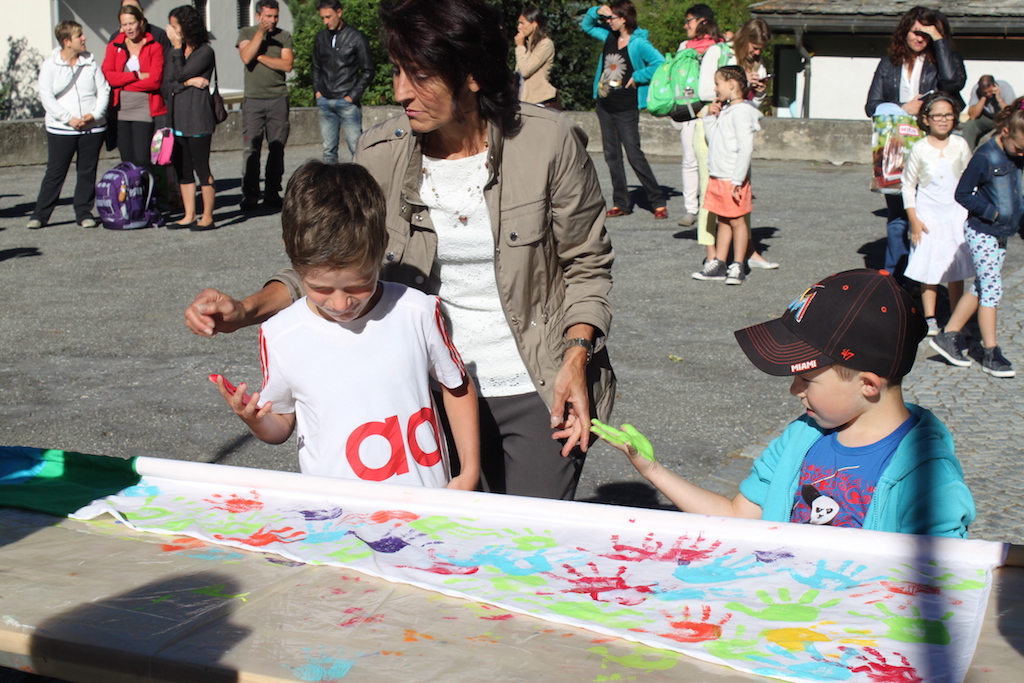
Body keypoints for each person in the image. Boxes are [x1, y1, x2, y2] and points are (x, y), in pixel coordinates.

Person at [185, 0, 615, 502]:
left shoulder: (548, 142)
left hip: (537, 384)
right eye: (396, 71)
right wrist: (247, 310)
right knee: (439, 539)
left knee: (526, 537)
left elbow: (588, 264)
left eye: (421, 76)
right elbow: (337, 260)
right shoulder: (379, 151)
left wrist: (576, 357)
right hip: (422, 391)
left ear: (472, 73)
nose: (400, 92)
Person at [594, 268, 976, 538]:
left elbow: (942, 585)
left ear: (868, 385)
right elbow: (737, 516)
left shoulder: (927, 476)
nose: (795, 390)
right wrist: (653, 470)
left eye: (807, 378)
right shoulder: (800, 438)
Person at [216, 162, 481, 490]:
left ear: (382, 246)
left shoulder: (416, 311)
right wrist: (255, 420)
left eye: (358, 285)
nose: (341, 304)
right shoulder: (280, 333)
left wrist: (468, 471)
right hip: (337, 511)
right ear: (291, 256)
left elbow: (456, 386)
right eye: (321, 289)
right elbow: (281, 424)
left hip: (426, 503)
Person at [865, 6, 966, 280]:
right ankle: (895, 278)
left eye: (926, 33)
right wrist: (903, 107)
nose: (920, 37)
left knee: (929, 211)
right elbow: (871, 105)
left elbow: (953, 83)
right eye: (915, 31)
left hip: (930, 144)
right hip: (894, 145)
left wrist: (940, 40)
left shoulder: (943, 60)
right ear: (904, 31)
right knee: (897, 213)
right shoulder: (889, 63)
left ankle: (926, 277)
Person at [930, 97, 1024, 379]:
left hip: (1001, 232)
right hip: (982, 231)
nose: (1021, 154)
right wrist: (992, 212)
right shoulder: (985, 157)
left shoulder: (1016, 155)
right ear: (1005, 132)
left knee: (982, 285)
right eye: (1019, 148)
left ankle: (948, 335)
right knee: (992, 289)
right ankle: (990, 352)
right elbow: (962, 194)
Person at [691, 17, 777, 270]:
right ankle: (712, 254)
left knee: (739, 193)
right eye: (754, 46)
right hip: (712, 125)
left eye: (761, 49)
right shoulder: (718, 52)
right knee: (710, 192)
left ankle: (745, 252)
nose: (757, 52)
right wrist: (739, 84)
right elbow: (704, 91)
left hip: (735, 128)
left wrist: (758, 92)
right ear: (743, 39)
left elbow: (752, 108)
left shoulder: (757, 64)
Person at [582, 2, 668, 220]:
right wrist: (597, 11)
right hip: (605, 106)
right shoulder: (609, 36)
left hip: (626, 108)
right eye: (607, 18)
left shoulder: (638, 43)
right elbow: (587, 26)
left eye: (612, 17)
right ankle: (621, 203)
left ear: (624, 18)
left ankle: (657, 201)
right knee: (612, 157)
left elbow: (660, 63)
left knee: (634, 155)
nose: (608, 21)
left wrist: (638, 77)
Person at [901, 92, 973, 336]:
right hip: (927, 215)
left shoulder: (960, 145)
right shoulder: (919, 148)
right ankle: (930, 317)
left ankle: (956, 316)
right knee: (929, 266)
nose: (943, 120)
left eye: (948, 115)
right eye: (937, 115)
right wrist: (914, 219)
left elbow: (970, 178)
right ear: (926, 119)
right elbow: (908, 185)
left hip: (956, 213)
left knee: (956, 266)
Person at [27, 21, 110, 230]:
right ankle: (40, 215)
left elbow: (103, 90)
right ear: (66, 42)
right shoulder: (50, 65)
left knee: (87, 171)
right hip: (62, 128)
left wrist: (94, 115)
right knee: (55, 172)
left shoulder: (90, 62)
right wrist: (68, 119)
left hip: (93, 127)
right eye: (79, 35)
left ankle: (84, 213)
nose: (84, 38)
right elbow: (46, 97)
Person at [691, 67, 760, 286]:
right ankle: (720, 263)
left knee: (737, 221)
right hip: (718, 176)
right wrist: (711, 118)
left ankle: (738, 265)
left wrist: (738, 180)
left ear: (731, 84)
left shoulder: (742, 112)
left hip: (732, 178)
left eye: (718, 83)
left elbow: (746, 148)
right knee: (723, 219)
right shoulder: (727, 110)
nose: (715, 88)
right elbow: (714, 140)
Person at [237, 0, 294, 210]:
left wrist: (259, 56)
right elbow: (246, 56)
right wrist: (260, 34)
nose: (272, 20)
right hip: (253, 98)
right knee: (251, 148)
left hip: (278, 97)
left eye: (275, 16)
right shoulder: (246, 32)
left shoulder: (283, 36)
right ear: (258, 16)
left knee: (277, 147)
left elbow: (287, 64)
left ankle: (272, 192)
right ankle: (250, 193)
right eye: (268, 16)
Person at [165, 4, 217, 230]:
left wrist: (182, 77)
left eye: (175, 26)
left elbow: (180, 74)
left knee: (201, 168)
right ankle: (189, 214)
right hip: (178, 118)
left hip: (198, 118)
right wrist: (189, 82)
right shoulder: (174, 52)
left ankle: (208, 217)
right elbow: (168, 84)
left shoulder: (204, 52)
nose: (171, 30)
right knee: (183, 169)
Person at [673, 4, 722, 229]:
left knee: (712, 160)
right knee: (689, 160)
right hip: (689, 109)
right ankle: (691, 208)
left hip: (713, 110)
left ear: (703, 21)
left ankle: (711, 206)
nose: (686, 26)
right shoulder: (684, 47)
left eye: (689, 21)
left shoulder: (720, 47)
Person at [102, 3, 166, 170]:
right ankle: (133, 187)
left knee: (142, 158)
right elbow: (108, 77)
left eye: (131, 23)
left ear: (141, 22)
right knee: (127, 159)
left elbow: (154, 81)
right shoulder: (114, 46)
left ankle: (147, 186)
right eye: (124, 24)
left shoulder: (154, 47)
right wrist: (136, 76)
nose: (128, 28)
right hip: (120, 111)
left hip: (144, 109)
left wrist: (122, 83)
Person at [312, 0, 373, 165]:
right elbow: (316, 67)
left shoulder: (356, 37)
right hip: (325, 100)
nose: (326, 21)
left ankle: (361, 180)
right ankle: (329, 181)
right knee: (328, 151)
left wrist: (351, 96)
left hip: (347, 101)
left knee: (357, 149)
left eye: (328, 17)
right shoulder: (321, 37)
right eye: (323, 18)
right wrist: (318, 92)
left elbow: (368, 70)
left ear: (339, 12)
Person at [515, 5, 560, 110]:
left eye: (522, 23)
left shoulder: (545, 44)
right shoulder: (528, 46)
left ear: (534, 24)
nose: (519, 27)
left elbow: (526, 71)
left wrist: (520, 47)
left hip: (538, 101)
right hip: (522, 100)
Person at [963, 75, 1016, 151]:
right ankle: (967, 152)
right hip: (987, 118)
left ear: (994, 86)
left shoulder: (1005, 87)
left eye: (990, 91)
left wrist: (999, 98)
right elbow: (973, 116)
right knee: (970, 124)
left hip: (1003, 119)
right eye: (985, 92)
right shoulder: (977, 89)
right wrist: (983, 97)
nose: (988, 94)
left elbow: (1011, 113)